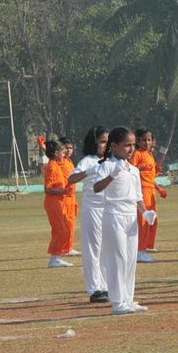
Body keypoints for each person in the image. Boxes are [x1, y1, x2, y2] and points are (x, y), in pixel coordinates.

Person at [94, 127, 156, 315]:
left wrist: (145, 213)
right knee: (117, 258)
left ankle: (128, 298)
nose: (131, 149)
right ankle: (117, 301)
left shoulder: (134, 170)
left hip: (131, 217)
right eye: (126, 145)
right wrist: (112, 175)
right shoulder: (106, 166)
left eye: (132, 145)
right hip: (114, 214)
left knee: (130, 259)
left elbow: (138, 197)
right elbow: (97, 187)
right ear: (113, 146)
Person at [68, 126, 110, 303]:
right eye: (102, 142)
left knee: (108, 249)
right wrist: (89, 171)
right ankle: (95, 289)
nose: (105, 145)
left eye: (108, 142)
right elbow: (71, 179)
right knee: (93, 248)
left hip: (109, 209)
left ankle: (107, 285)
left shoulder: (112, 161)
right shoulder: (88, 160)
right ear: (94, 143)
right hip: (92, 209)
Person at [129, 128, 167, 263]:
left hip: (150, 190)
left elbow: (150, 177)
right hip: (141, 190)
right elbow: (130, 171)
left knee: (152, 220)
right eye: (143, 140)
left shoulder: (149, 155)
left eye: (149, 140)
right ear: (137, 141)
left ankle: (146, 246)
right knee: (143, 221)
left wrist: (159, 189)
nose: (146, 142)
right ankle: (140, 251)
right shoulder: (137, 154)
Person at [43, 139, 73, 268]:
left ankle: (57, 255)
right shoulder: (51, 166)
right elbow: (47, 188)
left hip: (59, 201)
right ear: (56, 153)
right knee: (60, 229)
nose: (65, 152)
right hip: (53, 202)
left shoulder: (55, 164)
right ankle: (54, 257)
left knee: (63, 228)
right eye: (62, 150)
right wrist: (64, 190)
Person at [58, 137, 80, 257]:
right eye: (66, 148)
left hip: (72, 197)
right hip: (64, 197)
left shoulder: (69, 162)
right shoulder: (59, 161)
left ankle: (68, 247)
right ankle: (62, 248)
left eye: (71, 148)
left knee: (71, 224)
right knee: (65, 224)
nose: (69, 150)